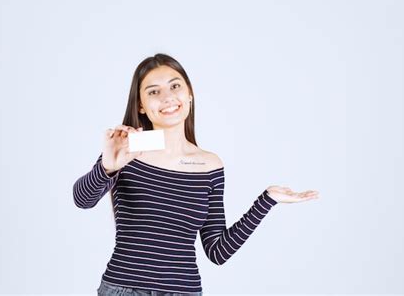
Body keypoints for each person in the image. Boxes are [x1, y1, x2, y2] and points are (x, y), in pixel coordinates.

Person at [73, 53, 319, 296]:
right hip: (124, 288)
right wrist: (106, 168)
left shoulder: (209, 165)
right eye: (153, 92)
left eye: (175, 86)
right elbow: (83, 200)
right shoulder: (128, 148)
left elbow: (218, 251)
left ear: (189, 93)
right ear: (141, 105)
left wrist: (267, 200)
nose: (167, 98)